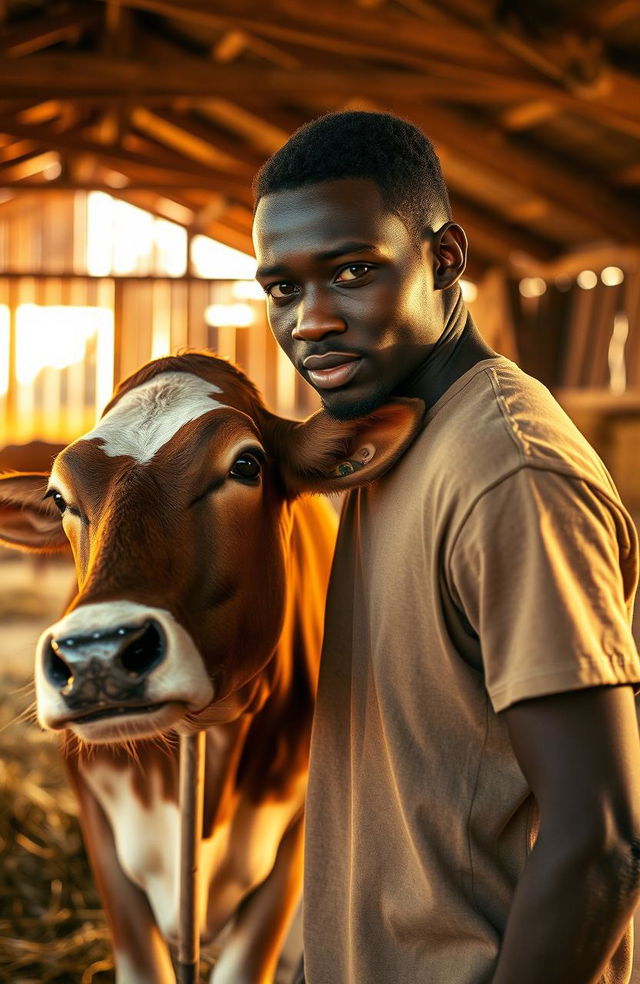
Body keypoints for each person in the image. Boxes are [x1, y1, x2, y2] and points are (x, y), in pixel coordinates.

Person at [251, 111, 640, 984]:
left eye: (353, 272)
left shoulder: (508, 473)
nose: (310, 320)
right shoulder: (381, 444)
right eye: (282, 288)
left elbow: (601, 841)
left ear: (445, 258)